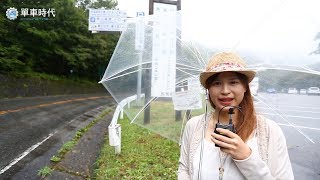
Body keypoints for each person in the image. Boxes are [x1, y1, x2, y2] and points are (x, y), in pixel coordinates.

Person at [177, 52, 294, 180]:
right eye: (217, 83)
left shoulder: (269, 130)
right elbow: (184, 169)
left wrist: (245, 157)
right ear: (208, 89)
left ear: (245, 87)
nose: (225, 91)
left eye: (233, 82)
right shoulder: (193, 125)